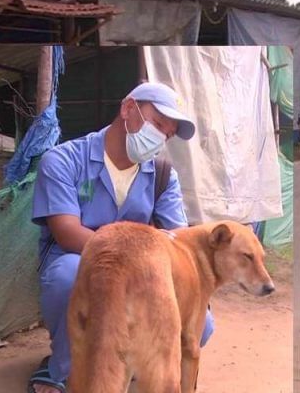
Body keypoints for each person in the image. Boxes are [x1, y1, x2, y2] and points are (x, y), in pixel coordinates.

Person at [28, 82, 214, 393]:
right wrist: (131, 261)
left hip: (143, 268)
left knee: (202, 324)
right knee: (68, 277)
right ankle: (63, 368)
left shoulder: (164, 175)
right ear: (128, 108)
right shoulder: (62, 160)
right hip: (77, 256)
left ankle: (133, 362)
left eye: (166, 135)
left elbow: (178, 239)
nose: (159, 138)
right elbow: (67, 232)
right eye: (156, 124)